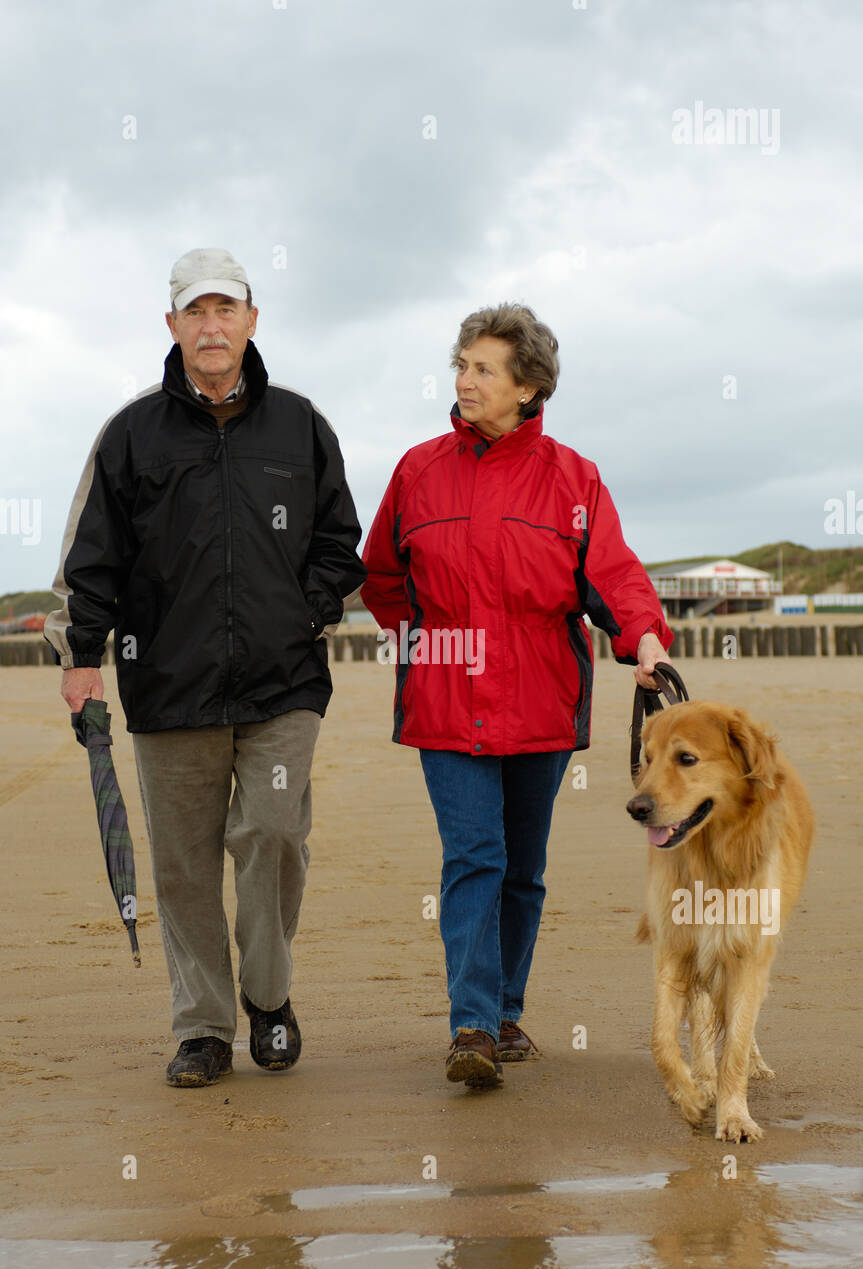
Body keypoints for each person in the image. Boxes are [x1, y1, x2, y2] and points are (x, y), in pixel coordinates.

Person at [44, 248, 366, 1087]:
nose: (211, 325)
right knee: (184, 865)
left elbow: (339, 542)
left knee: (270, 834)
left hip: (284, 685)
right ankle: (202, 1028)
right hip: (168, 685)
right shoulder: (130, 432)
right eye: (196, 311)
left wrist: (310, 611)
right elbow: (93, 559)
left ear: (253, 321)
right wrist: (82, 657)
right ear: (173, 326)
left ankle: (269, 1000)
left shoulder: (300, 424)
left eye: (226, 310)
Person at [361, 303, 673, 1089]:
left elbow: (612, 574)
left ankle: (504, 1010)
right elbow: (381, 577)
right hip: (444, 702)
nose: (463, 381)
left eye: (482, 369)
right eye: (460, 365)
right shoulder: (417, 468)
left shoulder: (573, 479)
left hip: (541, 702)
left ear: (528, 388)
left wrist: (642, 638)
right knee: (475, 855)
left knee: (523, 869)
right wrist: (427, 644)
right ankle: (469, 1025)